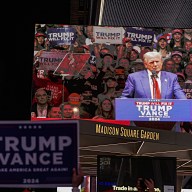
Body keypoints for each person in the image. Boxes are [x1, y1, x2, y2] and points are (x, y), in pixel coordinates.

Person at [121, 51, 186, 99]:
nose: (155, 65)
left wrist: (185, 104)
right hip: (141, 115)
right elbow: (125, 97)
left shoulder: (171, 78)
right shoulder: (134, 78)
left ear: (161, 63)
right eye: (152, 62)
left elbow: (180, 96)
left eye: (157, 62)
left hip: (166, 114)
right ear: (145, 64)